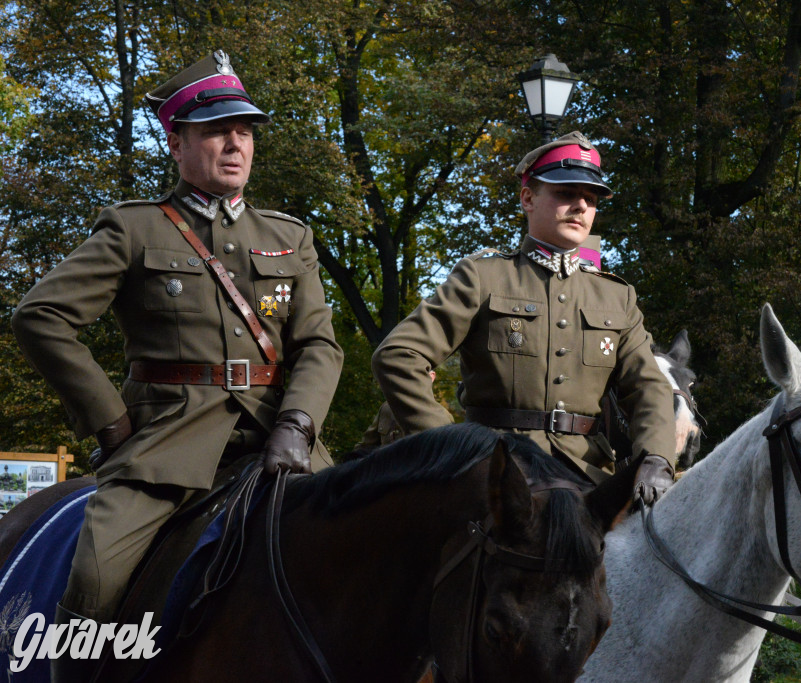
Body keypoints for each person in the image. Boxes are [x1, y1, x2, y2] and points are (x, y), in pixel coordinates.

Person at [12, 51, 343, 678]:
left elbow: (319, 346)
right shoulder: (136, 229)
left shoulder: (289, 237)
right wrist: (111, 426)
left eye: (244, 130)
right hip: (167, 446)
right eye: (217, 130)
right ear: (177, 140)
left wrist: (297, 427)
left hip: (280, 440)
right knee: (96, 577)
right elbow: (40, 317)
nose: (235, 143)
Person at [371, 131, 675, 496]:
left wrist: (657, 458)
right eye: (565, 193)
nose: (580, 205)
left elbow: (648, 389)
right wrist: (451, 448)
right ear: (528, 198)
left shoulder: (617, 297)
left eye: (591, 199)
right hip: (495, 475)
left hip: (586, 478)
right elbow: (398, 355)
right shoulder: (483, 277)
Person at [355, 370, 438, 450]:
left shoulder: (441, 417)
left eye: (415, 373)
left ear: (431, 377)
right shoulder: (388, 407)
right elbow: (364, 448)